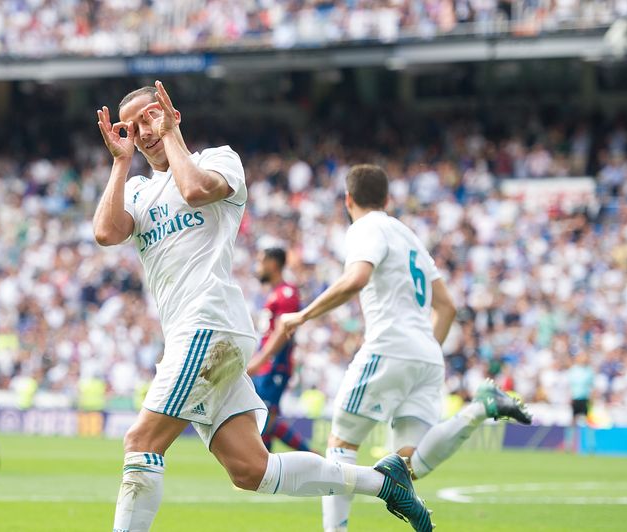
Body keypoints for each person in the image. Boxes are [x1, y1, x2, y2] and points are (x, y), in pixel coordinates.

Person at [94, 81, 433, 532]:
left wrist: (170, 133)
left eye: (151, 116)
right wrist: (119, 163)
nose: (145, 131)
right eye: (134, 127)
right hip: (192, 336)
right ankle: (383, 482)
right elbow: (106, 232)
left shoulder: (217, 160)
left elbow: (194, 191)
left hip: (208, 325)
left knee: (140, 442)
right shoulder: (136, 189)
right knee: (251, 470)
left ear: (173, 114)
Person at [277, 164, 532, 532]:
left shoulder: (365, 228)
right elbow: (447, 306)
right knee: (408, 464)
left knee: (341, 445)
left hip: (388, 346)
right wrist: (423, 351)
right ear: (387, 199)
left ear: (348, 200)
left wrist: (302, 315)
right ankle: (479, 408)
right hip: (426, 354)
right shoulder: (408, 235)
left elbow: (356, 279)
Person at [247, 247, 314, 453]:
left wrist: (260, 361)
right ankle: (314, 457)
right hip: (267, 364)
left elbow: (283, 333)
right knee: (266, 418)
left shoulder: (287, 293)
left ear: (273, 264)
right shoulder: (274, 293)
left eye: (260, 262)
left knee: (265, 417)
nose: (257, 268)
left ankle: (264, 471)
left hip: (276, 364)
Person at [567, 352, 595, 452]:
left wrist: (592, 398)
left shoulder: (589, 371)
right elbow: (570, 385)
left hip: (585, 398)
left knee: (588, 422)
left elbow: (592, 386)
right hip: (575, 398)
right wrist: (569, 397)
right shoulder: (573, 370)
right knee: (572, 422)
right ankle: (569, 445)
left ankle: (590, 445)